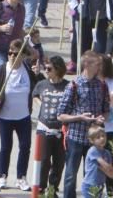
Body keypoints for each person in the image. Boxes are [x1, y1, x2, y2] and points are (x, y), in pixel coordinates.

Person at [57, 50, 109, 198]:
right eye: (96, 64)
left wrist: (101, 118)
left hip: (94, 139)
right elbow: (60, 115)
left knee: (92, 175)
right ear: (86, 64)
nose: (99, 67)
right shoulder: (74, 85)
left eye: (100, 64)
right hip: (76, 137)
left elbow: (106, 110)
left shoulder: (101, 85)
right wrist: (80, 117)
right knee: (70, 175)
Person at [0, 40, 41, 192]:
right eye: (10, 53)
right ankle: (2, 176)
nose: (12, 56)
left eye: (16, 53)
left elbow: (39, 85)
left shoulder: (28, 69)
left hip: (24, 116)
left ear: (23, 55)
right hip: (5, 117)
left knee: (25, 146)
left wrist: (38, 74)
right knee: (6, 147)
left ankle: (21, 177)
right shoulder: (1, 69)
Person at [33, 55, 70, 195]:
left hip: (61, 130)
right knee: (43, 160)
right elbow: (35, 94)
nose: (46, 70)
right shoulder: (42, 84)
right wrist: (40, 104)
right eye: (45, 68)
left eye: (49, 68)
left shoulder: (67, 86)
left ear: (58, 69)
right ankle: (41, 188)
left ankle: (53, 188)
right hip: (44, 128)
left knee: (59, 162)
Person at [82, 126, 113, 198]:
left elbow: (112, 174)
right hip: (89, 186)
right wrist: (106, 169)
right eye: (98, 137)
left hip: (100, 186)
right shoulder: (93, 150)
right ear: (91, 140)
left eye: (103, 136)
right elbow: (103, 164)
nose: (102, 138)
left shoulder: (107, 153)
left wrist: (104, 169)